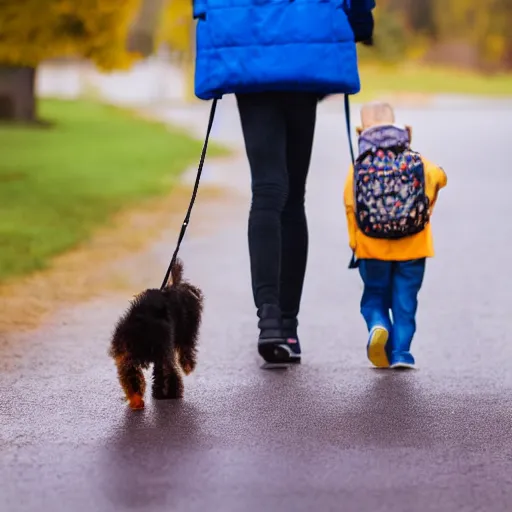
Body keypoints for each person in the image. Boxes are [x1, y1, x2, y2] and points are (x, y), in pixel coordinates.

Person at [194, 0, 376, 364]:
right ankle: (289, 326)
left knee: (267, 190)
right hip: (304, 48)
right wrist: (358, 24)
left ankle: (270, 320)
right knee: (292, 198)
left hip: (250, 50)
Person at [343, 102, 447, 369]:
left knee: (374, 296)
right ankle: (402, 353)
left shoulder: (359, 168)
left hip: (372, 248)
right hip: (414, 248)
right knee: (405, 303)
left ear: (361, 132)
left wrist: (356, 244)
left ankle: (378, 324)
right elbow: (438, 178)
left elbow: (350, 206)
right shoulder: (417, 160)